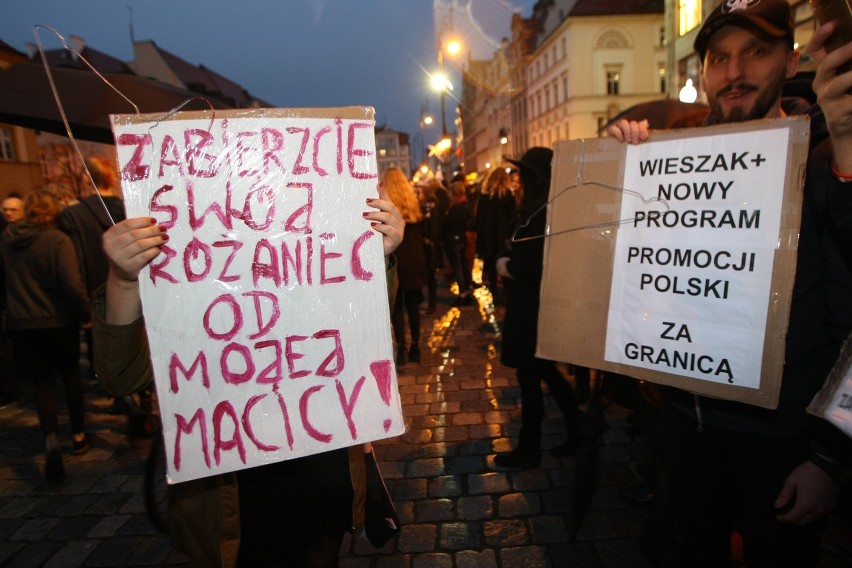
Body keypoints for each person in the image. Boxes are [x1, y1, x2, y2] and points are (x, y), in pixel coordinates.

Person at [609, 1, 852, 565]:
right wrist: (621, 173)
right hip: (687, 427)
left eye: (756, 52)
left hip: (783, 443)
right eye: (720, 58)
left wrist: (829, 459)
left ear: (791, 60)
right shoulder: (671, 163)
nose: (735, 72)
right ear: (702, 73)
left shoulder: (827, 162)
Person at [93, 186, 403, 567]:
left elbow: (366, 339)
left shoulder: (319, 233)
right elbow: (123, 377)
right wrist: (123, 281)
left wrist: (373, 259)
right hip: (234, 494)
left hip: (323, 475)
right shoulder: (185, 255)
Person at [493, 147, 583, 468]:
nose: (517, 180)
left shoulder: (546, 210)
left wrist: (507, 266)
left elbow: (536, 263)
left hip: (534, 305)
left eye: (522, 173)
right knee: (543, 373)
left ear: (535, 177)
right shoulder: (539, 206)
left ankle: (530, 447)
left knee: (531, 377)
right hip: (529, 304)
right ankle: (577, 430)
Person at [1, 188, 92, 482]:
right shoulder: (57, 240)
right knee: (70, 378)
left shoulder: (9, 241)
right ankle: (78, 435)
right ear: (54, 212)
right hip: (58, 321)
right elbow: (71, 283)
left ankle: (51, 438)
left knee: (42, 385)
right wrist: (85, 313)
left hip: (22, 324)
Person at [383, 167, 428, 365]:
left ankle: (401, 346)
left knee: (397, 308)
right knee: (413, 306)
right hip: (414, 258)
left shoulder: (385, 206)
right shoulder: (412, 202)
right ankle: (416, 346)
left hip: (396, 258)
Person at [474, 167, 516, 304]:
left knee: (491, 268)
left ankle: (494, 293)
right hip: (503, 239)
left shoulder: (484, 198)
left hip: (488, 238)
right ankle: (506, 292)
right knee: (504, 265)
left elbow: (479, 220)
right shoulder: (509, 197)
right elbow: (513, 219)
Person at [442, 181, 473, 306]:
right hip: (461, 240)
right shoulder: (465, 206)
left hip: (454, 241)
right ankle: (467, 292)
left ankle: (463, 294)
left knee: (458, 269)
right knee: (463, 267)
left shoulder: (455, 209)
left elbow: (447, 224)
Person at [418, 180, 444, 314]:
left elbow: (432, 228)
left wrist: (429, 241)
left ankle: (432, 302)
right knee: (429, 275)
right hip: (430, 246)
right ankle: (430, 301)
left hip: (429, 247)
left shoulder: (429, 207)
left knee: (430, 275)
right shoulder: (430, 206)